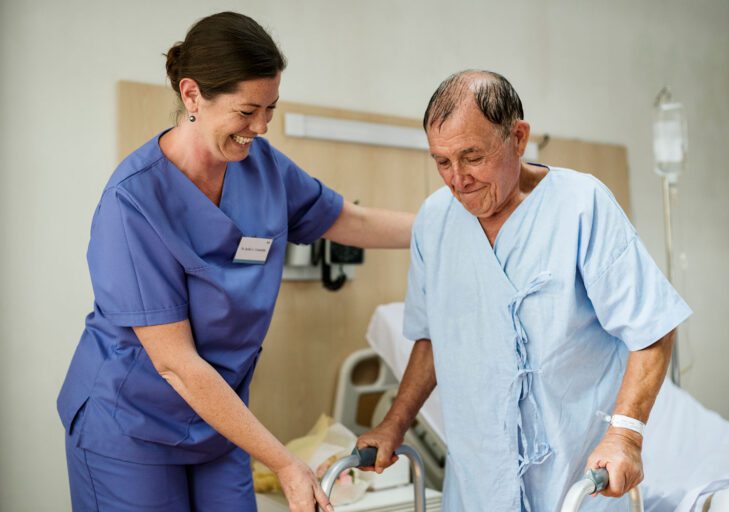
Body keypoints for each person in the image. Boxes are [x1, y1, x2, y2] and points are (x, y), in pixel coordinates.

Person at [56, 12, 413, 512]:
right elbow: (176, 364)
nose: (262, 127)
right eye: (248, 111)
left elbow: (346, 220)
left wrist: (446, 229)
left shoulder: (261, 167)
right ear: (192, 96)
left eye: (271, 108)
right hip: (130, 426)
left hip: (218, 422)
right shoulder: (132, 202)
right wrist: (286, 463)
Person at [356, 70, 692, 511]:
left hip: (578, 482)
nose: (457, 179)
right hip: (478, 483)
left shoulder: (581, 206)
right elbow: (432, 337)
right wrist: (393, 425)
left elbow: (652, 328)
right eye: (441, 161)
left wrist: (626, 435)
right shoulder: (434, 220)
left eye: (472, 157)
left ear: (518, 138)